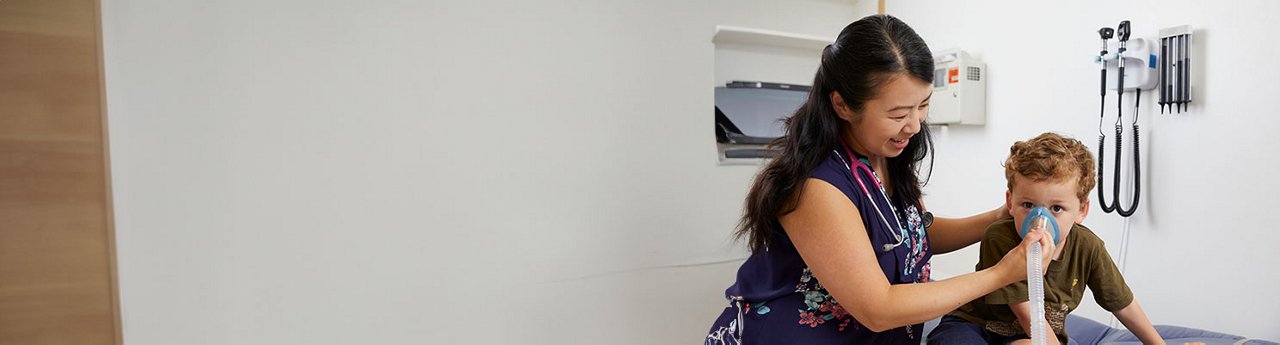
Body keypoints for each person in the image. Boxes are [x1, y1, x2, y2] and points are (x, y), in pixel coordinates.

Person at [704, 15, 1055, 344]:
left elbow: (912, 235)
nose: (915, 124)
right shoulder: (816, 187)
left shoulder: (888, 155)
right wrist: (1000, 273)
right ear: (842, 105)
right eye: (898, 113)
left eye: (923, 105)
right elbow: (878, 307)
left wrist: (999, 218)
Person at [926, 133, 1162, 345]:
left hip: (1028, 336)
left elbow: (1122, 303)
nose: (1040, 218)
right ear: (1010, 202)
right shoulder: (1000, 237)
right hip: (975, 325)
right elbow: (1025, 310)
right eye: (1028, 205)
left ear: (1081, 210)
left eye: (1056, 208)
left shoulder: (1087, 247)